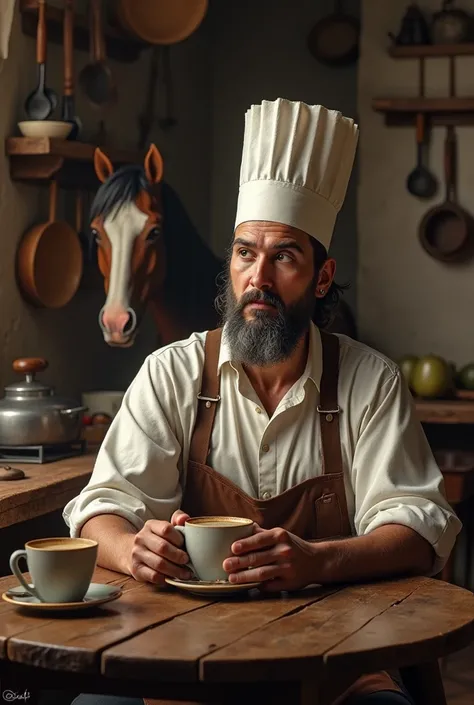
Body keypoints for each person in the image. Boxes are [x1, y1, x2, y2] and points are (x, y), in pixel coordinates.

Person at [64, 99, 461, 705]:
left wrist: (316, 562)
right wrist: (132, 547)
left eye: (285, 257)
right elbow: (101, 508)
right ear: (230, 264)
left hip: (335, 665)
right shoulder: (171, 374)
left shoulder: (369, 382)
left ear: (322, 278)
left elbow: (415, 528)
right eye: (247, 253)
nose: (260, 278)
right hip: (179, 659)